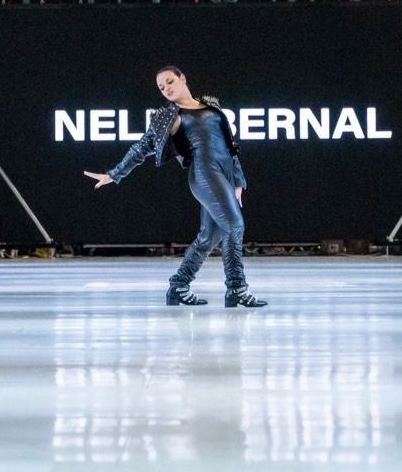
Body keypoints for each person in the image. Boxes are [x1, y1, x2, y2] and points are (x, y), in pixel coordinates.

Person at [85, 65, 266, 308]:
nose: (166, 89)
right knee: (234, 225)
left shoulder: (211, 106)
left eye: (170, 82)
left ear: (182, 79)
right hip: (204, 174)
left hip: (224, 174)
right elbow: (142, 147)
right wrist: (114, 173)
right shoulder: (171, 116)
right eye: (161, 87)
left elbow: (230, 147)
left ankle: (178, 286)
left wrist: (238, 182)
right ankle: (236, 288)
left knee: (209, 237)